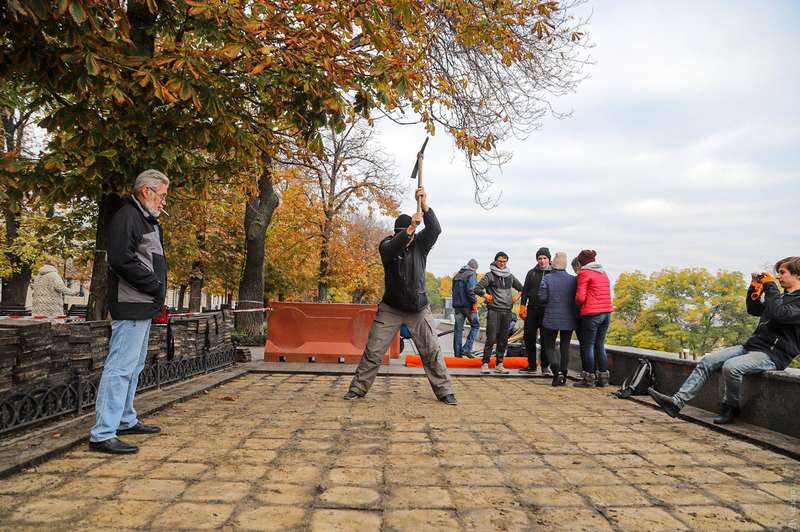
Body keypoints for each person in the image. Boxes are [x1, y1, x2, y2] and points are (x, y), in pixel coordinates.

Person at [650, 257, 800, 425]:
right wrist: (754, 288)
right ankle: (676, 403)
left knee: (732, 367)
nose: (778, 277)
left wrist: (770, 287)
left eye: (782, 272)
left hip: (774, 355)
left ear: (797, 275)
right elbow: (754, 309)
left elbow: (780, 314)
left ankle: (731, 407)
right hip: (753, 346)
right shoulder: (781, 298)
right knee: (707, 361)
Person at [345, 187, 456, 405]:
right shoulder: (387, 246)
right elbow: (392, 248)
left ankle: (445, 390)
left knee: (432, 350)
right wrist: (410, 228)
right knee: (374, 350)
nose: (408, 238)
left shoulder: (421, 245)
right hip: (391, 308)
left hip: (418, 308)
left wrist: (425, 205)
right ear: (398, 232)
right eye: (403, 233)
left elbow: (435, 229)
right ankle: (358, 388)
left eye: (410, 233)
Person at [89, 169, 169, 454]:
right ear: (146, 191)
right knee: (120, 367)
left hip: (142, 303)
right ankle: (102, 433)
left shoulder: (144, 218)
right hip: (132, 302)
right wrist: (155, 285)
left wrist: (155, 291)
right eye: (161, 196)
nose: (162, 202)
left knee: (132, 367)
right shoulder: (128, 216)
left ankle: (124, 419)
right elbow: (121, 259)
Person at [474, 252, 524, 374]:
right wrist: (486, 295)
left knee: (503, 339)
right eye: (500, 261)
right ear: (495, 261)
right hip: (494, 311)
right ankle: (485, 363)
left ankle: (499, 364)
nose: (502, 263)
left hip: (507, 311)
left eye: (504, 261)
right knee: (491, 338)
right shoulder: (489, 276)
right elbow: (477, 288)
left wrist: (517, 297)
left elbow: (522, 288)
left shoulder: (510, 276)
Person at [573, 249, 613, 388]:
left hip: (592, 314)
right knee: (600, 345)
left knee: (588, 345)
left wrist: (578, 304)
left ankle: (588, 378)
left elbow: (580, 297)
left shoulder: (585, 273)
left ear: (582, 261)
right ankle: (603, 378)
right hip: (606, 313)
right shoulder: (603, 272)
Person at [538, 252, 578, 386]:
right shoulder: (573, 280)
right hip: (569, 318)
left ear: (553, 265)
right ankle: (564, 373)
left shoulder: (547, 279)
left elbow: (542, 298)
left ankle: (556, 372)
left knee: (549, 346)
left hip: (551, 318)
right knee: (565, 346)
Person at [519, 247, 553, 375]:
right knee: (528, 337)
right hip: (532, 309)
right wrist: (522, 306)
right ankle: (532, 365)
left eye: (544, 258)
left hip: (547, 311)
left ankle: (545, 366)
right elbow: (525, 291)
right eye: (540, 258)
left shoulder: (553, 273)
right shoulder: (531, 273)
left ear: (549, 260)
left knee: (546, 339)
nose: (542, 261)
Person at [452, 259, 480, 358]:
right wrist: (475, 302)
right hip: (468, 306)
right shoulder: (471, 274)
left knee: (458, 330)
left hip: (457, 306)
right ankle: (467, 349)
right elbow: (471, 290)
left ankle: (458, 354)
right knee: (475, 325)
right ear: (474, 267)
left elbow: (453, 291)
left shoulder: (457, 275)